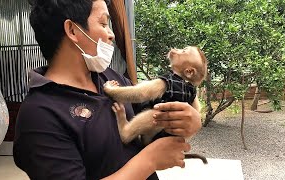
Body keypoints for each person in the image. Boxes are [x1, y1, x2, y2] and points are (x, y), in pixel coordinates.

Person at [13, 0, 202, 179]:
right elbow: (150, 155)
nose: (111, 34)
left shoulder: (110, 77)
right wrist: (149, 160)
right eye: (103, 24)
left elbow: (152, 124)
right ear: (73, 30)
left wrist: (188, 122)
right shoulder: (39, 115)